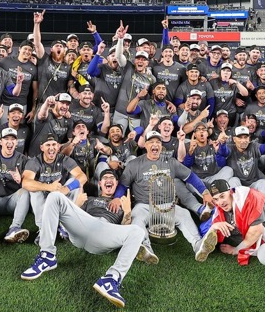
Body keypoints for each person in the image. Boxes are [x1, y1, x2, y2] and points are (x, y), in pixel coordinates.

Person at [20, 169, 152, 308]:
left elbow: (125, 231)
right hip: (83, 227)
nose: (108, 179)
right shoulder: (89, 199)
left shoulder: (121, 204)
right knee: (55, 196)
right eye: (105, 177)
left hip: (105, 233)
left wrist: (127, 212)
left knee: (137, 231)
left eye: (112, 178)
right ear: (100, 183)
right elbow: (69, 221)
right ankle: (47, 255)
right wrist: (77, 204)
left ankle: (111, 279)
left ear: (116, 183)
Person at [111, 130, 215, 262]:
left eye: (158, 142)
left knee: (184, 214)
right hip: (144, 205)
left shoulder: (170, 162)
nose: (155, 145)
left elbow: (190, 176)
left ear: (161, 146)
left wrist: (205, 192)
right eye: (151, 142)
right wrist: (116, 197)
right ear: (146, 145)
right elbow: (123, 185)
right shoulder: (134, 164)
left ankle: (198, 245)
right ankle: (146, 249)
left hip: (168, 205)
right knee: (136, 219)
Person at [22, 133, 88, 241]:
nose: (51, 148)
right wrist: (49, 187)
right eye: (48, 145)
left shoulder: (64, 159)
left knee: (74, 182)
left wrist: (67, 189)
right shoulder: (34, 161)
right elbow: (25, 183)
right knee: (33, 189)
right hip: (43, 199)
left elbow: (83, 177)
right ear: (42, 147)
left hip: (60, 194)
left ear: (58, 146)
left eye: (54, 144)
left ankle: (64, 225)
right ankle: (43, 228)